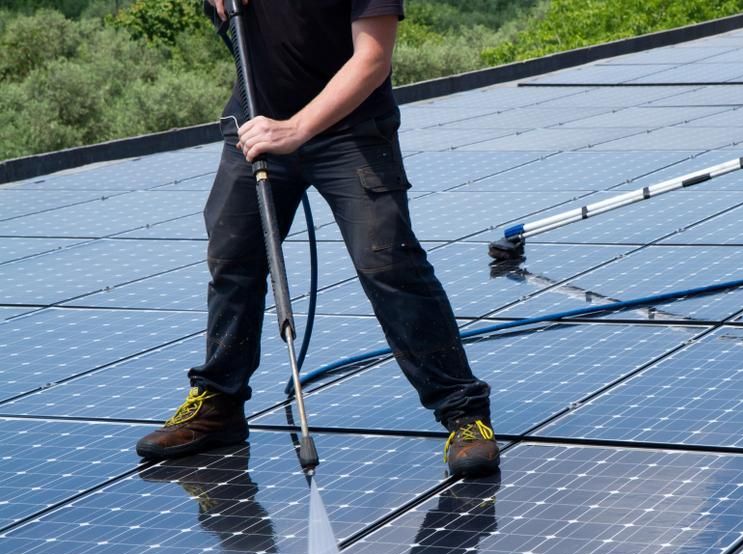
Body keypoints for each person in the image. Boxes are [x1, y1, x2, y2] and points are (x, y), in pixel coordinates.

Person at [135, 0, 499, 478]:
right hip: (257, 123)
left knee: (387, 262)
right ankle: (218, 404)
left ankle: (464, 412)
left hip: (351, 131)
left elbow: (372, 59)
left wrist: (296, 129)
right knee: (233, 256)